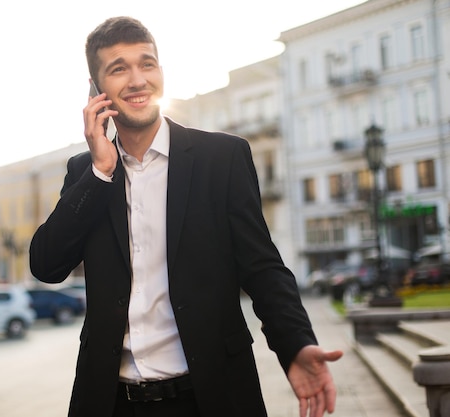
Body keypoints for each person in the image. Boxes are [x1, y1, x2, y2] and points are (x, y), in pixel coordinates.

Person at [29, 16, 343, 417]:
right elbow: (47, 265)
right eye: (118, 69)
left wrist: (295, 344)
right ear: (96, 90)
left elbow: (262, 267)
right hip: (113, 402)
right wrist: (100, 173)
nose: (138, 79)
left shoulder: (222, 158)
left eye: (147, 63)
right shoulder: (85, 171)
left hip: (211, 396)